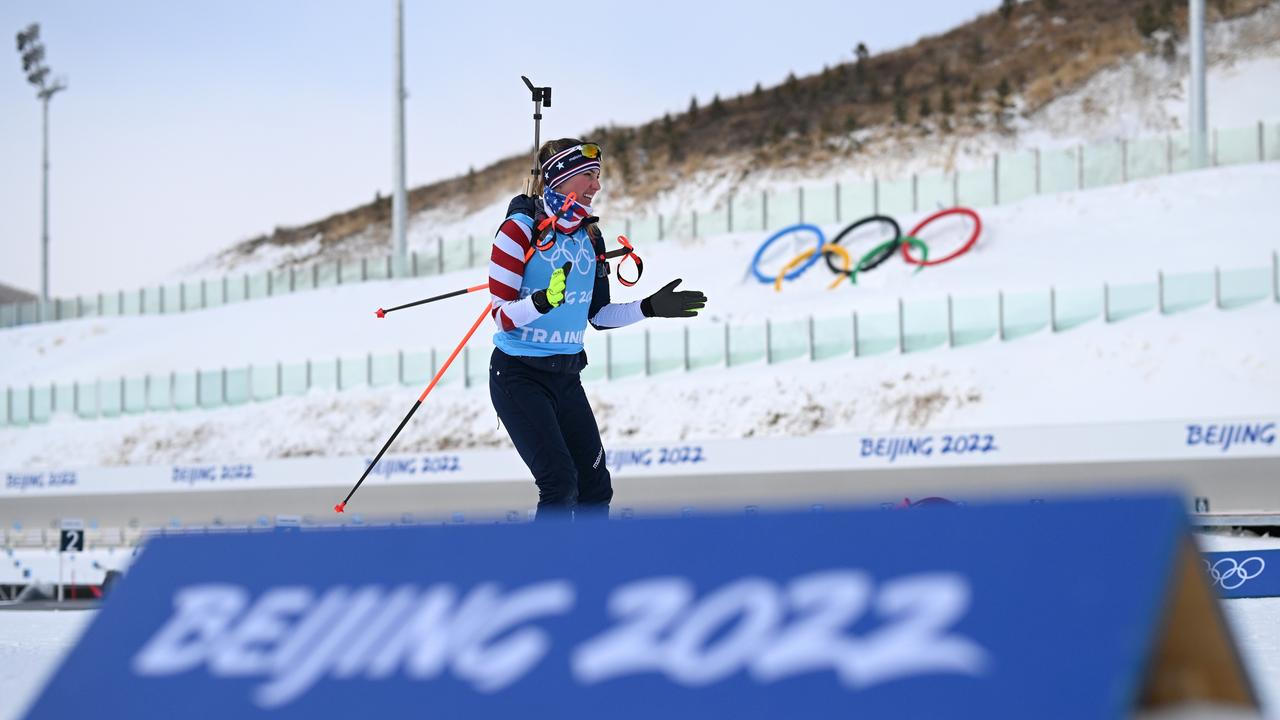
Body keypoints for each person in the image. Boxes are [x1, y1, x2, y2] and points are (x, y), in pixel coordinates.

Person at [487, 138, 706, 520]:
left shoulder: (591, 236)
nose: (597, 186)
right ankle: (547, 575)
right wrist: (542, 301)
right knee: (559, 483)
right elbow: (502, 316)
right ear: (561, 177)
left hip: (567, 377)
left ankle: (591, 572)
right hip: (519, 376)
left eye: (598, 176)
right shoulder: (518, 231)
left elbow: (599, 315)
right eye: (588, 175)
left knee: (595, 488)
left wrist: (649, 307)